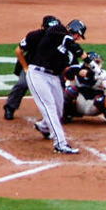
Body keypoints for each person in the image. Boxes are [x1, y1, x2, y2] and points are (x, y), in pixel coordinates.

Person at [29, 18, 87, 154]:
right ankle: (60, 143)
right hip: (38, 74)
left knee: (59, 111)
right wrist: (84, 56)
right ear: (72, 29)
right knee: (49, 108)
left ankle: (43, 127)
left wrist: (89, 72)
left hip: (54, 77)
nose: (78, 38)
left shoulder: (70, 49)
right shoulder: (58, 31)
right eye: (78, 34)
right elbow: (68, 41)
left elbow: (72, 69)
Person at [5, 15, 61, 120]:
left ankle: (64, 112)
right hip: (32, 65)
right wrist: (25, 68)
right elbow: (19, 50)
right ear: (43, 27)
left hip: (52, 67)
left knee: (62, 84)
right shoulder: (34, 36)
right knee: (22, 84)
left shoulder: (60, 37)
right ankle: (10, 107)